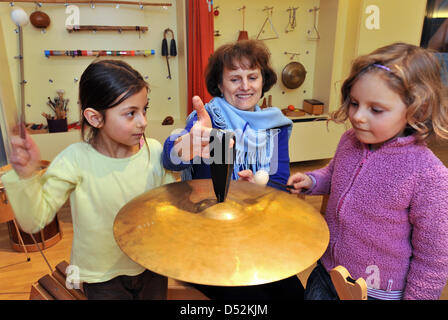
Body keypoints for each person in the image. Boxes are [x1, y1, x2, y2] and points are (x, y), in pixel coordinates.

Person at [1, 60, 175, 300]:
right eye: (130, 113)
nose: (143, 121)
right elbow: (34, 221)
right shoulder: (74, 160)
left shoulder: (154, 151)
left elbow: (173, 205)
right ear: (95, 118)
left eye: (144, 109)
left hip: (152, 266)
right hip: (101, 277)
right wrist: (26, 176)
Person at [288, 42, 448, 300]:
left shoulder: (429, 175)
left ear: (417, 110)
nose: (358, 116)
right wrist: (311, 180)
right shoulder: (349, 140)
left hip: (377, 293)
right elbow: (334, 174)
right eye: (354, 103)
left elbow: (433, 260)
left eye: (375, 109)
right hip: (327, 273)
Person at [162, 40, 304, 300]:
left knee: (293, 293)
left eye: (252, 76)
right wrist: (186, 146)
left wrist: (254, 189)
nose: (246, 86)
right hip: (209, 237)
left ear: (264, 80)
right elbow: (171, 160)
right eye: (235, 79)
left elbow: (279, 178)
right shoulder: (208, 120)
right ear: (219, 84)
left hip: (257, 230)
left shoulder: (275, 124)